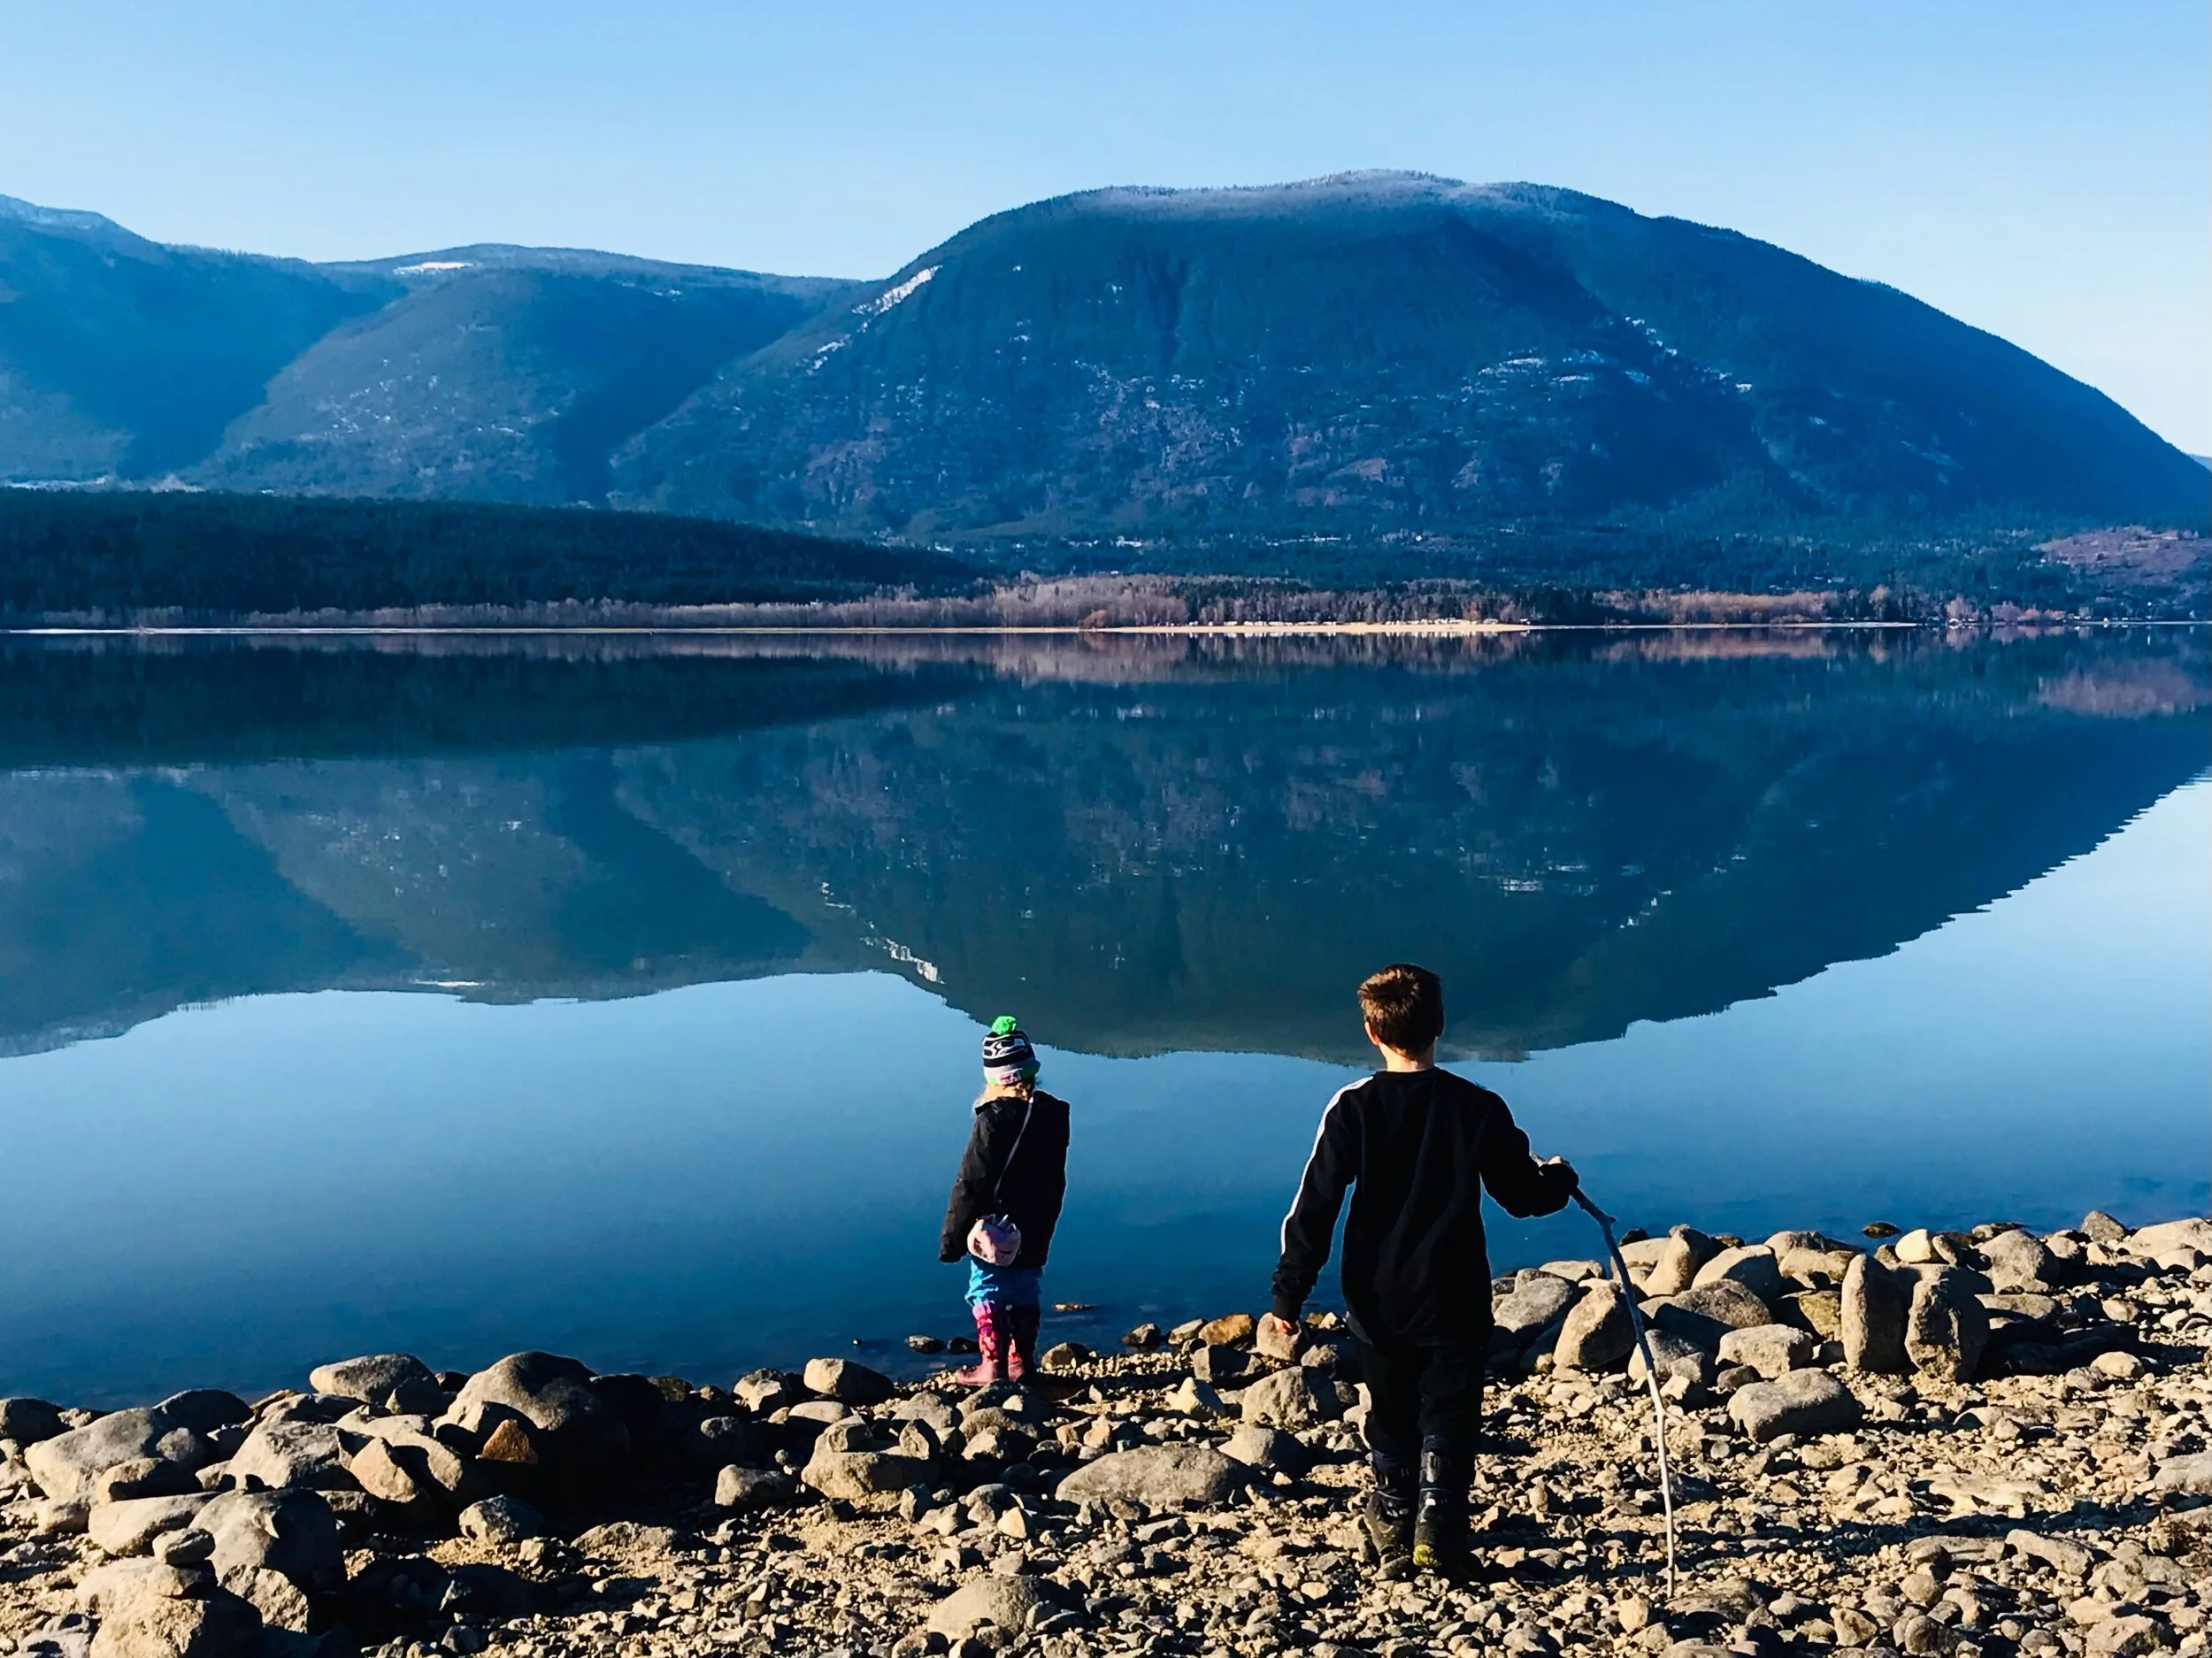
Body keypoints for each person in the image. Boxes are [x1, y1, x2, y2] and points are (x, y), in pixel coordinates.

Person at [1263, 963, 1577, 1579]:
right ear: (1439, 1025)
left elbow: (1315, 1207)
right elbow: (1523, 1196)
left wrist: (1287, 1299)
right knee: (1451, 1410)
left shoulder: (1353, 1108)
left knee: (1390, 1405)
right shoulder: (1479, 1107)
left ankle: (1395, 1517)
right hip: (1454, 1291)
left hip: (1376, 1293)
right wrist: (1560, 1180)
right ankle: (1440, 1528)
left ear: (1371, 1033)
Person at [939, 1016, 1070, 1386]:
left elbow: (971, 1183)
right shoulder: (1053, 1115)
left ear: (994, 1079)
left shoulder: (993, 1121)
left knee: (987, 1289)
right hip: (1037, 1223)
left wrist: (952, 1238)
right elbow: (1054, 1177)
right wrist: (1047, 1225)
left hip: (993, 1228)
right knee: (1026, 1287)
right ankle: (1022, 1363)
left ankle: (991, 1366)